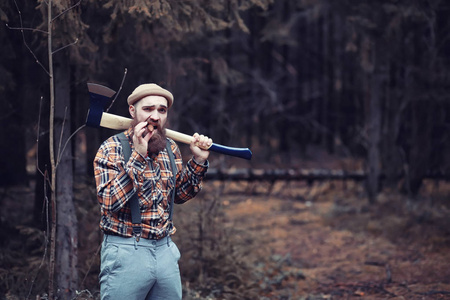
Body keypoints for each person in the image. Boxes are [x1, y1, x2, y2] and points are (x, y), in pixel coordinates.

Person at [93, 83, 212, 300]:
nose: (155, 116)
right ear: (132, 111)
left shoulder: (170, 148)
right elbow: (109, 202)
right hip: (126, 252)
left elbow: (180, 195)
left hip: (165, 250)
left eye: (162, 110)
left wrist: (198, 161)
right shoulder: (111, 148)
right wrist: (138, 157)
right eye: (148, 109)